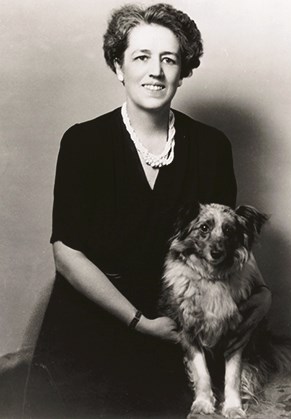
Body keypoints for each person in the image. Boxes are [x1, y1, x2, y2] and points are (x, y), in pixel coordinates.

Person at [24, 3, 272, 418]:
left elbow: (224, 239)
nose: (155, 71)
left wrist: (263, 295)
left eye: (169, 59)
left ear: (183, 70)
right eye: (141, 57)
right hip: (94, 319)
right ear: (119, 67)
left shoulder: (212, 147)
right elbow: (67, 254)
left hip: (177, 320)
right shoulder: (83, 143)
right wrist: (140, 323)